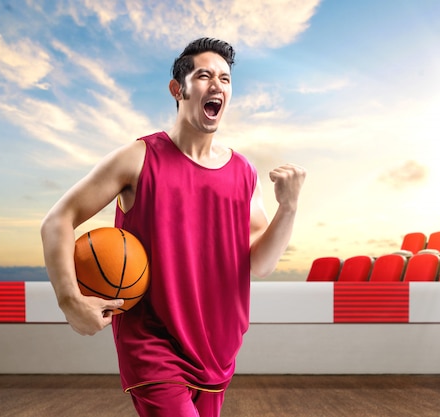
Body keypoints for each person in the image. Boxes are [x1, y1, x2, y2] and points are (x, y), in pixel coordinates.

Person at [40, 37, 306, 416]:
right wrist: (69, 301)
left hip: (217, 348)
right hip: (152, 343)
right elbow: (57, 220)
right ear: (177, 89)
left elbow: (260, 263)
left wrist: (289, 208)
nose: (217, 85)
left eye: (226, 79)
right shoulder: (139, 158)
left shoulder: (243, 172)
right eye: (204, 75)